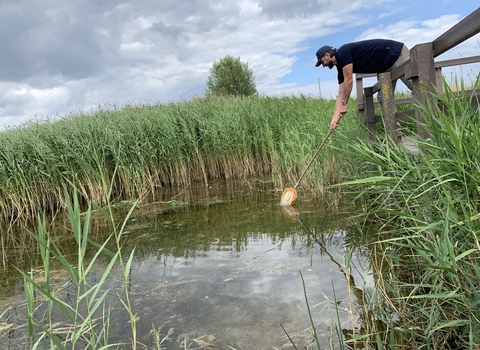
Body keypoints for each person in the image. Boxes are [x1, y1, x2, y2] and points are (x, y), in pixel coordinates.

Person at [315, 39, 412, 130]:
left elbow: (349, 81)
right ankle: (395, 133)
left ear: (327, 55)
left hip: (396, 54)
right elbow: (341, 94)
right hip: (386, 68)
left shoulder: (343, 52)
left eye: (321, 61)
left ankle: (427, 122)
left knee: (414, 84)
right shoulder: (340, 67)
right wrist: (334, 120)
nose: (323, 65)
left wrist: (344, 104)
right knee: (383, 97)